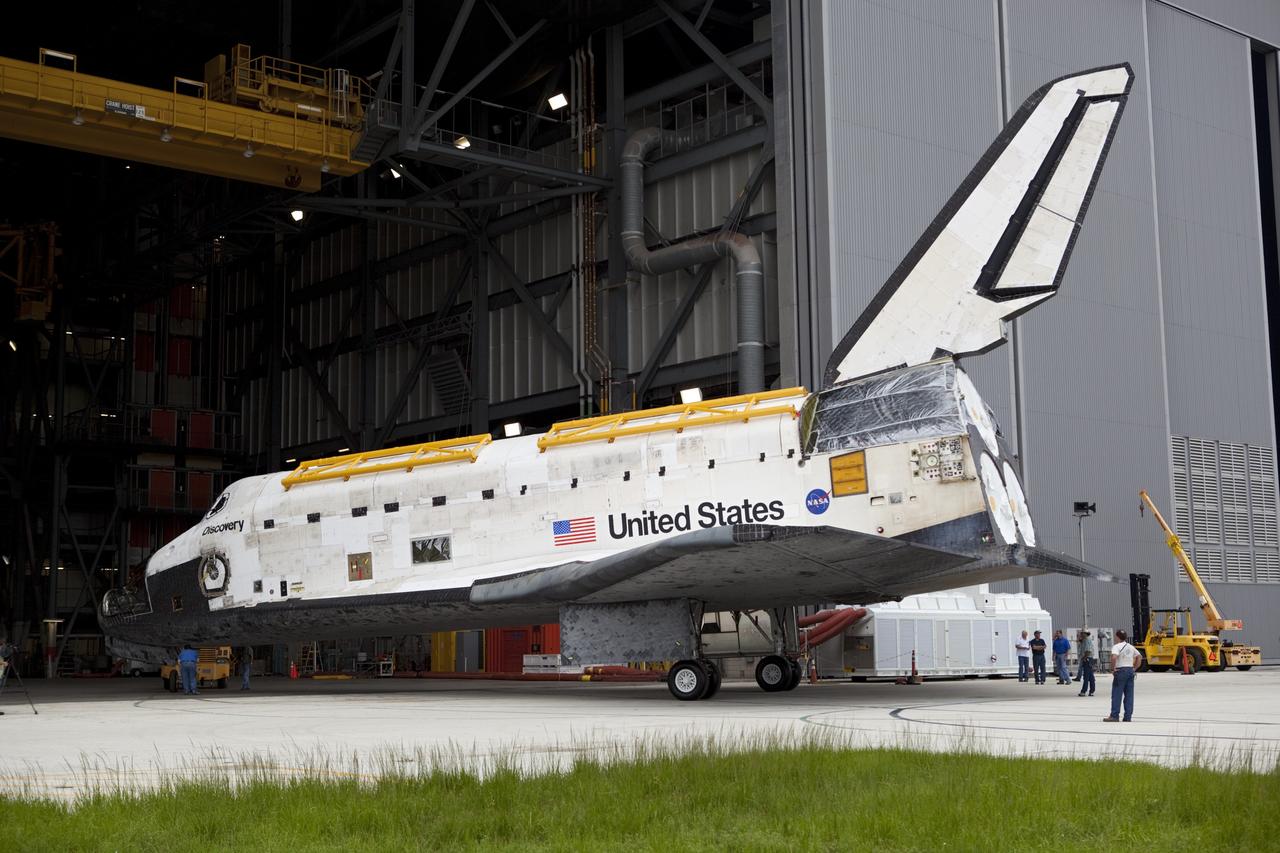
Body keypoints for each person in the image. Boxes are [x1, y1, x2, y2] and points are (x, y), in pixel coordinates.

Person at [1105, 629, 1142, 722]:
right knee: (1129, 695)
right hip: (1130, 670)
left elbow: (1114, 657)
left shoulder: (1116, 646)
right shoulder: (1131, 647)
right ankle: (1128, 716)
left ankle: (1114, 715)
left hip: (1121, 671)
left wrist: (1113, 668)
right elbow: (1139, 657)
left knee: (1117, 694)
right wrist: (1134, 668)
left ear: (1117, 637)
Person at [1077, 631, 1096, 697]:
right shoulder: (1085, 640)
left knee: (1086, 676)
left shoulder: (1087, 640)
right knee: (1090, 676)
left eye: (1082, 633)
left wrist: (1084, 658)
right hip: (1089, 659)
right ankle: (1092, 691)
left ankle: (1083, 691)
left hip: (1087, 659)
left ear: (1085, 634)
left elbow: (1088, 650)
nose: (1081, 634)